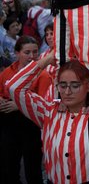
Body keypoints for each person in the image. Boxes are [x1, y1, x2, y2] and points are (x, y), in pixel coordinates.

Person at [8, 48, 89, 184]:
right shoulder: (47, 111)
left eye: (75, 85)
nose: (67, 91)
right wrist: (47, 60)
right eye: (63, 85)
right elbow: (14, 87)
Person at [0, 36, 52, 184]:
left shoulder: (43, 74)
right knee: (8, 167)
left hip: (31, 125)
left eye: (35, 52)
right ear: (17, 53)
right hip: (9, 124)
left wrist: (19, 105)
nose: (32, 56)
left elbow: (44, 102)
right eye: (27, 52)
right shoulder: (8, 71)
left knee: (32, 169)